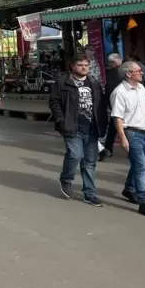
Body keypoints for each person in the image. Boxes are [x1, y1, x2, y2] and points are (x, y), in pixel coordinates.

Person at [49, 53, 107, 206]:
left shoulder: (93, 82)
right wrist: (60, 119)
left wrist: (103, 122)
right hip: (72, 126)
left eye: (86, 65)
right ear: (73, 66)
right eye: (80, 65)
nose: (84, 68)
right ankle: (66, 179)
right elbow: (54, 101)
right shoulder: (63, 82)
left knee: (89, 162)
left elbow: (101, 104)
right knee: (75, 155)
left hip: (92, 127)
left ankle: (89, 193)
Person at [110, 61, 145, 218]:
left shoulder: (141, 89)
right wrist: (123, 137)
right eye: (138, 71)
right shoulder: (119, 93)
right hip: (132, 133)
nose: (142, 73)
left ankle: (129, 189)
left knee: (140, 164)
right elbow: (117, 117)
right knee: (141, 167)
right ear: (128, 74)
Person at [100, 53, 123, 161]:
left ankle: (108, 148)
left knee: (114, 128)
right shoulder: (116, 72)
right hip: (119, 104)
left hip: (115, 104)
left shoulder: (112, 72)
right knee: (117, 127)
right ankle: (108, 148)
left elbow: (109, 89)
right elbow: (111, 89)